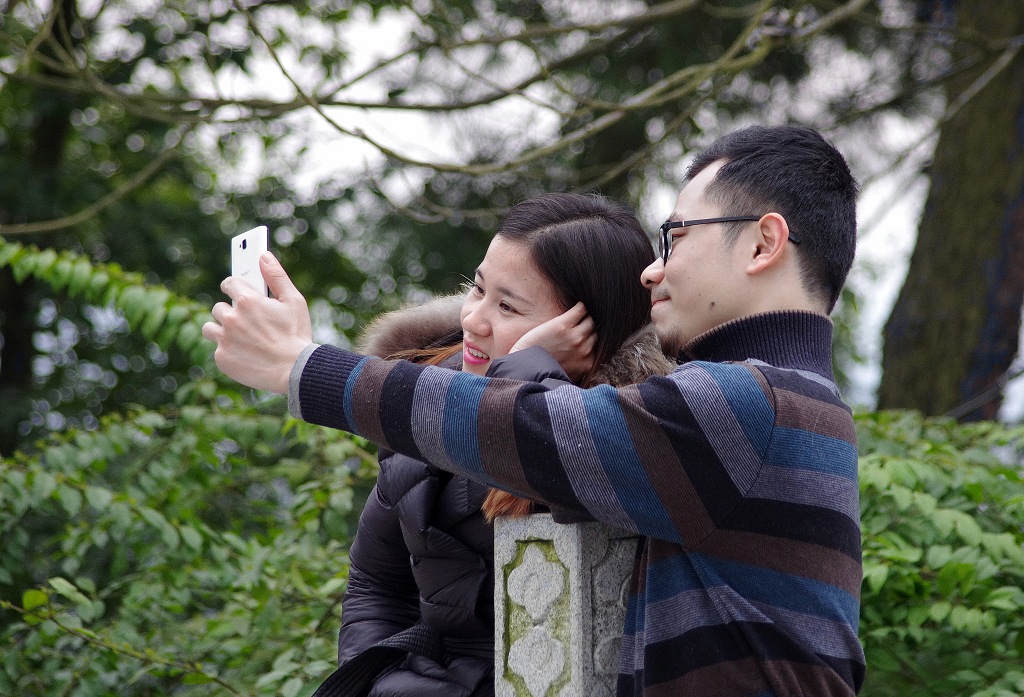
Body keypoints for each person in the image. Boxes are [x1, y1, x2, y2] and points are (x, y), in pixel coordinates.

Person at [203, 124, 866, 696]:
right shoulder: (792, 403)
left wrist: (299, 365)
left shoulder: (747, 405)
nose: (652, 270)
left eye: (676, 238)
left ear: (762, 243)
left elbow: (521, 431)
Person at [324, 193, 674, 697]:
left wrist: (525, 370)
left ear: (584, 332)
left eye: (507, 306)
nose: (473, 320)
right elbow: (375, 582)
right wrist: (375, 680)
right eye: (477, 288)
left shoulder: (622, 436)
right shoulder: (430, 391)